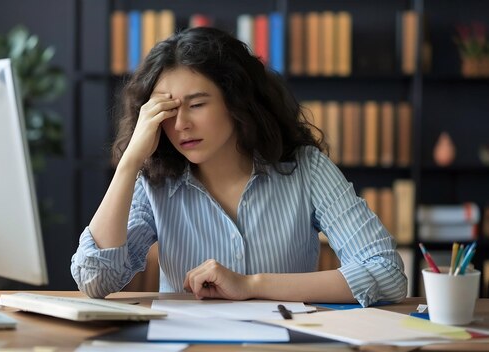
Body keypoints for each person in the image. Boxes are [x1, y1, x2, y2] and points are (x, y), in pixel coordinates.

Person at [71, 26, 407, 306]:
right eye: (167, 110)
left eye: (197, 104)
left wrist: (251, 285)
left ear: (236, 102)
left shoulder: (306, 169)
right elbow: (95, 279)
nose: (181, 124)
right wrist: (130, 161)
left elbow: (387, 274)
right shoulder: (156, 182)